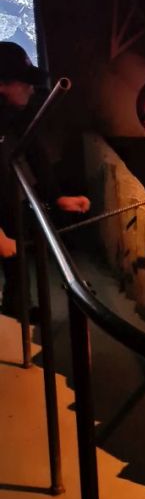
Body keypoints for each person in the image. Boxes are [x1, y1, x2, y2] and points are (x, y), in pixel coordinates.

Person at [0, 42, 90, 317]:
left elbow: (33, 150)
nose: (31, 89)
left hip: (3, 190)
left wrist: (57, 197)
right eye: (24, 83)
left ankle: (17, 306)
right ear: (1, 84)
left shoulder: (14, 110)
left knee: (13, 223)